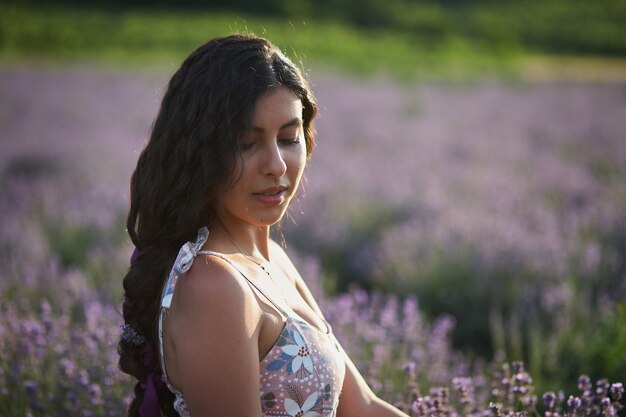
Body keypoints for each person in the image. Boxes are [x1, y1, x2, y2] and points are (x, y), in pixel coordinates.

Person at [118, 34, 409, 417]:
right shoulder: (213, 286)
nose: (276, 164)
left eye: (289, 138)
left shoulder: (270, 260)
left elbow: (365, 408)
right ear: (199, 152)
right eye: (246, 143)